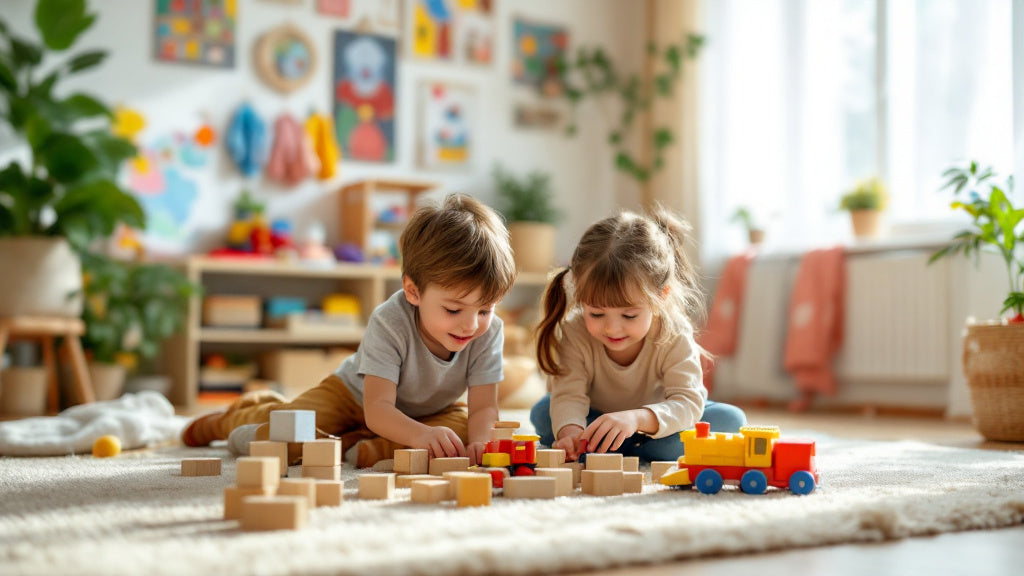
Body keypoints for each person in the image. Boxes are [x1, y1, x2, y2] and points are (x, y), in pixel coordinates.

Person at [182, 194, 517, 468]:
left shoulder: (488, 332)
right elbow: (379, 409)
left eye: (485, 309)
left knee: (456, 432)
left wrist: (480, 442)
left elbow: (484, 407)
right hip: (353, 398)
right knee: (284, 432)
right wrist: (418, 437)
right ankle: (227, 421)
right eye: (454, 310)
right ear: (414, 292)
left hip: (429, 411)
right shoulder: (390, 321)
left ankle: (359, 447)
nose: (472, 325)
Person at [531, 206, 747, 462]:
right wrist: (571, 433)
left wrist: (636, 419)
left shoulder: (672, 331)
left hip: (653, 422)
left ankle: (619, 446)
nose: (612, 328)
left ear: (660, 297)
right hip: (597, 416)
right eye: (596, 314)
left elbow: (688, 402)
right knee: (544, 413)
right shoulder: (575, 330)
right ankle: (618, 445)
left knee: (732, 420)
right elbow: (569, 394)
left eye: (629, 315)